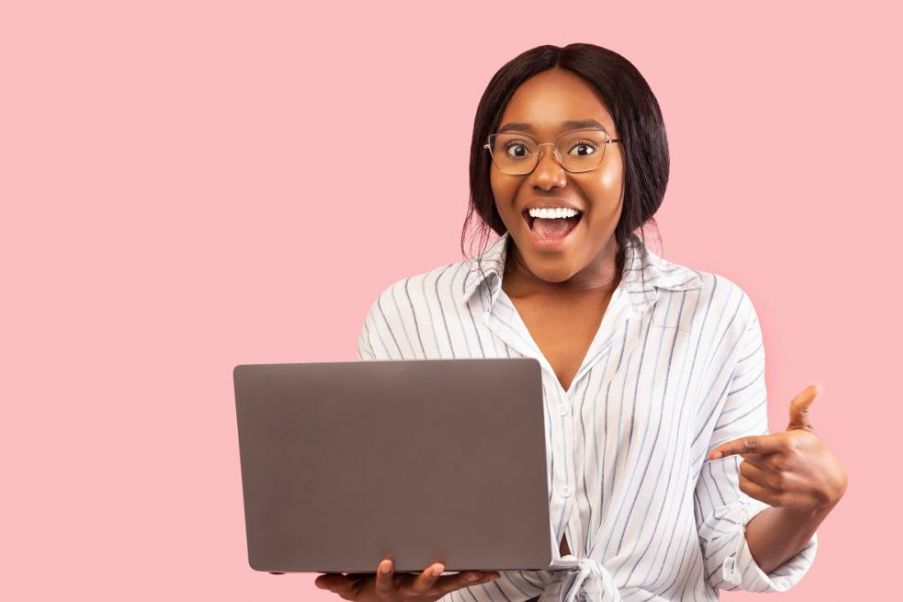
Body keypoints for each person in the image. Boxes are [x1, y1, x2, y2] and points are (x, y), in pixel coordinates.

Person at [314, 43, 847, 601]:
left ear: (635, 160)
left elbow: (726, 548)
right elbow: (398, 533)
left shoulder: (713, 313)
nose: (546, 175)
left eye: (583, 147)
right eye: (517, 148)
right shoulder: (410, 315)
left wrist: (811, 505)